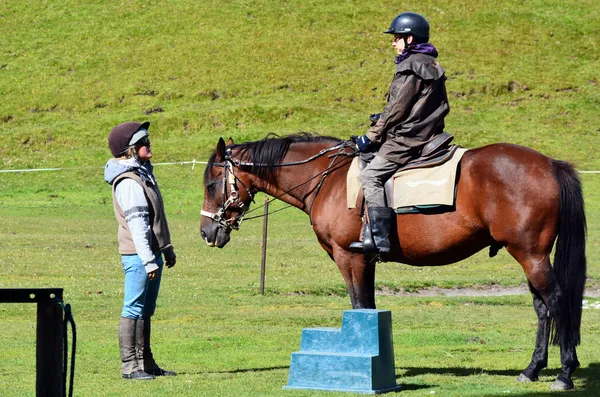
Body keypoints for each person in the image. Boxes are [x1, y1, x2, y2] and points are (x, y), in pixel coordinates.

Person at [350, 12, 450, 255]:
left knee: (371, 176)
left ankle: (379, 238)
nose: (393, 42)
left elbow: (398, 109)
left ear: (410, 39)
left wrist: (371, 135)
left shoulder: (411, 65)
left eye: (396, 38)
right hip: (427, 131)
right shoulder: (430, 63)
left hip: (407, 138)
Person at [104, 121, 177, 380]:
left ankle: (146, 363)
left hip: (150, 254)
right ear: (130, 149)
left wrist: (166, 249)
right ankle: (130, 366)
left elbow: (157, 219)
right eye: (143, 141)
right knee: (133, 308)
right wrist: (148, 260)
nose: (149, 144)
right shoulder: (129, 181)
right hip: (137, 255)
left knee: (146, 309)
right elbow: (138, 225)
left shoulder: (144, 174)